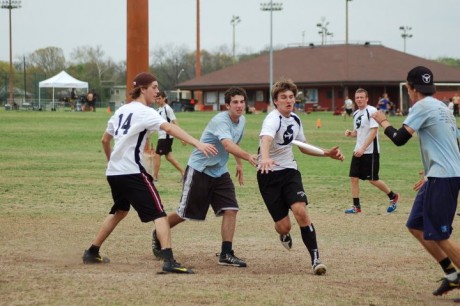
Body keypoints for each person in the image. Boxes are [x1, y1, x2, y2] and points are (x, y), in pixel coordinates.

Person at [82, 72, 217, 274]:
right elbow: (169, 129)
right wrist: (197, 143)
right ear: (142, 89)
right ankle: (169, 261)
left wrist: (112, 161)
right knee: (159, 214)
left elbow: (105, 140)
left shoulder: (121, 110)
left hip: (114, 173)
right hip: (131, 172)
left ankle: (92, 252)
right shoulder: (145, 112)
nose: (156, 91)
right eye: (153, 87)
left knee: (119, 211)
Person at [372, 66, 460, 297]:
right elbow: (453, 141)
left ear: (411, 88)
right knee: (415, 225)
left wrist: (382, 121)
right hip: (438, 175)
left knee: (440, 235)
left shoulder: (421, 106)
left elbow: (400, 139)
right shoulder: (442, 107)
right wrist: (430, 169)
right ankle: (452, 275)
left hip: (444, 177)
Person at [152, 87, 258, 268]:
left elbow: (236, 141)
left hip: (220, 172)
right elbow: (227, 144)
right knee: (184, 214)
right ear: (227, 105)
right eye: (235, 102)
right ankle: (159, 231)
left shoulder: (242, 121)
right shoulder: (220, 121)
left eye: (242, 102)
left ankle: (226, 253)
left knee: (231, 209)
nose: (239, 106)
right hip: (199, 171)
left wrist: (239, 165)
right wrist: (248, 157)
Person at [257, 78, 344, 275]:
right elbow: (266, 139)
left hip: (289, 171)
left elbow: (303, 147)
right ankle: (284, 234)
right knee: (283, 226)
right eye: (283, 98)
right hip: (268, 174)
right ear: (276, 101)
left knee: (301, 211)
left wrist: (326, 153)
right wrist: (265, 158)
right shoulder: (272, 119)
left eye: (291, 97)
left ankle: (316, 260)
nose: (288, 100)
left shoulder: (296, 120)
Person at [344, 88, 399, 214]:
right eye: (357, 97)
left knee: (373, 179)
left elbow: (374, 131)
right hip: (358, 150)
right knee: (353, 177)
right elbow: (358, 133)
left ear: (367, 98)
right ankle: (356, 206)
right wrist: (350, 133)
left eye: (361, 97)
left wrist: (363, 148)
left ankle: (393, 196)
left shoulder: (372, 111)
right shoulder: (356, 113)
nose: (359, 99)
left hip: (370, 152)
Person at [152, 91, 185, 182]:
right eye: (156, 98)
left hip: (166, 136)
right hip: (162, 136)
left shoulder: (168, 109)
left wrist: (182, 137)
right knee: (169, 157)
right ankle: (184, 173)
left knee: (157, 155)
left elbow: (175, 122)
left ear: (164, 98)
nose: (157, 100)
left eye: (159, 98)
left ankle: (155, 177)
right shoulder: (158, 110)